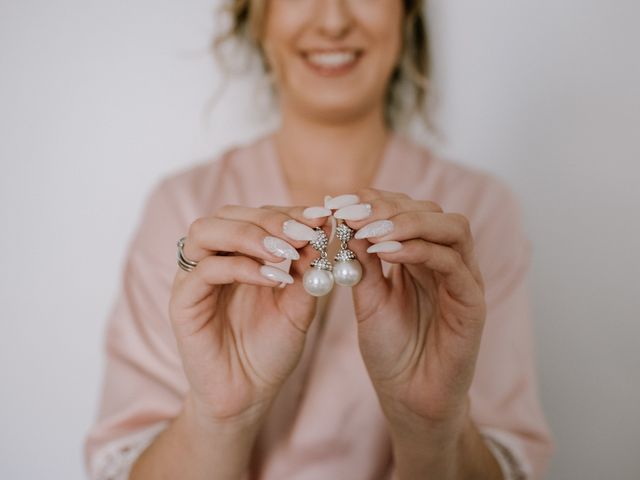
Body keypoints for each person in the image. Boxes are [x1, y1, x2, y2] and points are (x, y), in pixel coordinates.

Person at [84, 1, 553, 479]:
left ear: (406, 15)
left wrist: (429, 425)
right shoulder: (185, 209)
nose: (333, 21)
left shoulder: (473, 214)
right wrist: (218, 417)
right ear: (257, 15)